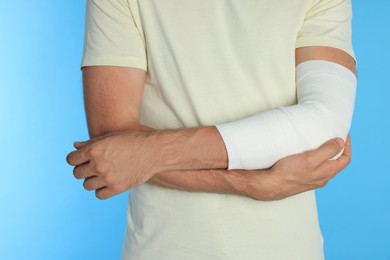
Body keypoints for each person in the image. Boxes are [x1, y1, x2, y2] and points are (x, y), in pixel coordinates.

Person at [66, 0, 357, 259]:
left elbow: (324, 127)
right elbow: (112, 140)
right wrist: (253, 185)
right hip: (164, 249)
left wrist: (150, 152)